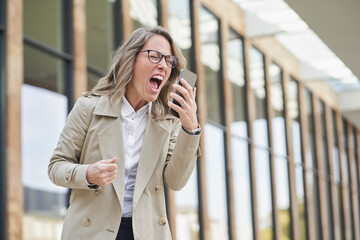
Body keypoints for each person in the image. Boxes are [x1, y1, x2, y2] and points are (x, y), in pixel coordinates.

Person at [48, 26, 201, 240]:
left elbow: (175, 181)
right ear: (131, 59)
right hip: (92, 231)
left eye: (169, 61)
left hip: (147, 232)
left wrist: (190, 129)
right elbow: (56, 166)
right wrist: (88, 174)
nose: (163, 65)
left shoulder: (169, 122)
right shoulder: (89, 107)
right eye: (155, 56)